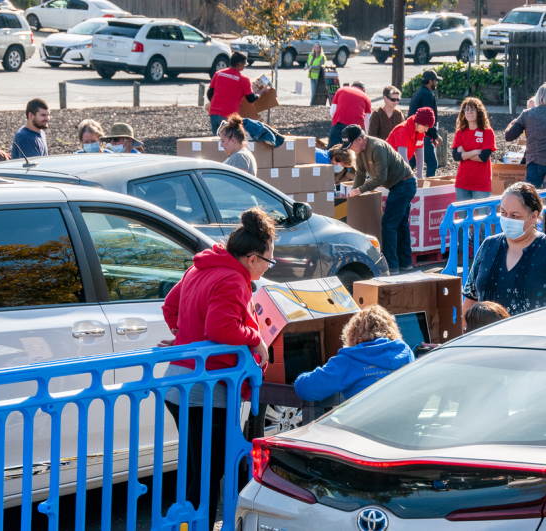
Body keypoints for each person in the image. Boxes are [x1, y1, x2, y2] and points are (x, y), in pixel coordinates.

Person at [161, 208, 273, 529]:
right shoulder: (233, 279)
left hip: (182, 383)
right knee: (215, 469)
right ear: (252, 258)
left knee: (212, 466)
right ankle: (217, 523)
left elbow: (171, 307)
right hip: (205, 389)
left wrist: (185, 338)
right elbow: (222, 329)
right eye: (268, 261)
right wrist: (256, 340)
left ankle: (221, 522)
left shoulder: (202, 267)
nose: (267, 269)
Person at [463, 182, 546, 316]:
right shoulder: (488, 246)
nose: (507, 219)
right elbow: (471, 298)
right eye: (503, 213)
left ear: (534, 216)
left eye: (515, 216)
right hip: (487, 335)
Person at [330, 125, 416, 274]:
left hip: (404, 184)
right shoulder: (361, 151)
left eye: (351, 145)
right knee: (400, 224)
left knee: (389, 224)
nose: (351, 149)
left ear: (360, 139)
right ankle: (405, 263)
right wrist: (353, 192)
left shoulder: (377, 147)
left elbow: (380, 177)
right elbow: (361, 173)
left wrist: (360, 190)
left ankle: (392, 266)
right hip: (397, 185)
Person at [293, 305, 414, 402]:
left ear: (352, 332)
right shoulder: (405, 352)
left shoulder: (349, 360)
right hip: (403, 425)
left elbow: (306, 389)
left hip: (363, 427)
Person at [207, 51, 266, 134]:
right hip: (229, 115)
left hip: (214, 113)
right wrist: (260, 92)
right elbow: (251, 99)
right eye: (244, 64)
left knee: (217, 142)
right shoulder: (243, 80)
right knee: (229, 142)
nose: (245, 66)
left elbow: (210, 93)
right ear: (239, 64)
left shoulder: (218, 74)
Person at [452, 97, 497, 201]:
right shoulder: (460, 132)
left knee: (482, 217)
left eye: (472, 109)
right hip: (462, 182)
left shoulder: (487, 132)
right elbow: (456, 156)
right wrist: (475, 151)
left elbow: (483, 157)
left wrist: (465, 154)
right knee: (462, 217)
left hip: (481, 184)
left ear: (479, 112)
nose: (469, 112)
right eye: (466, 109)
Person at [407, 70, 442, 177]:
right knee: (432, 163)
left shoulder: (418, 92)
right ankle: (428, 187)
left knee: (411, 163)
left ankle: (404, 182)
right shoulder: (427, 95)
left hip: (413, 133)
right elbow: (428, 119)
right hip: (423, 135)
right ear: (430, 81)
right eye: (435, 81)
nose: (436, 83)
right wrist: (435, 135)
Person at [385, 107, 434, 179]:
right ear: (418, 122)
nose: (426, 130)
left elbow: (419, 155)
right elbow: (402, 157)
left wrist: (420, 176)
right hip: (385, 165)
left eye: (428, 127)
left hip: (397, 165)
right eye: (425, 126)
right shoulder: (403, 130)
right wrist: (411, 176)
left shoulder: (420, 132)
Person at [327, 81, 372, 148]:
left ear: (351, 86)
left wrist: (336, 122)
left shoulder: (341, 90)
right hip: (355, 130)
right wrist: (366, 135)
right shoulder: (366, 98)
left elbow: (332, 111)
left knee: (332, 150)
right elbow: (367, 121)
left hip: (339, 126)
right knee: (350, 153)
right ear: (363, 90)